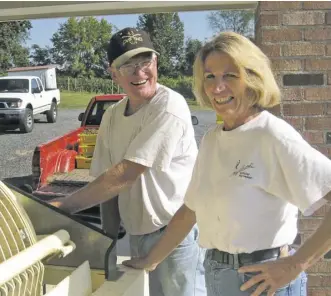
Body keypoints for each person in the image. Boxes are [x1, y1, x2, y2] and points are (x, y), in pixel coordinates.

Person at [122, 31, 331, 296]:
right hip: (217, 274)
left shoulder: (272, 136)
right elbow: (190, 211)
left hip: (263, 281)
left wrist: (295, 265)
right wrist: (150, 260)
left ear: (252, 79)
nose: (217, 87)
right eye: (210, 76)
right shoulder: (212, 139)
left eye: (230, 76)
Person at [48, 27, 206, 296]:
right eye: (128, 65)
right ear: (114, 73)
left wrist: (62, 206)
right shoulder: (111, 116)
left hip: (175, 235)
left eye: (145, 62)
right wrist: (107, 243)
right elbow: (108, 185)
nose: (140, 72)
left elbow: (125, 175)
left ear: (156, 62)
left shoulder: (169, 106)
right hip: (137, 234)